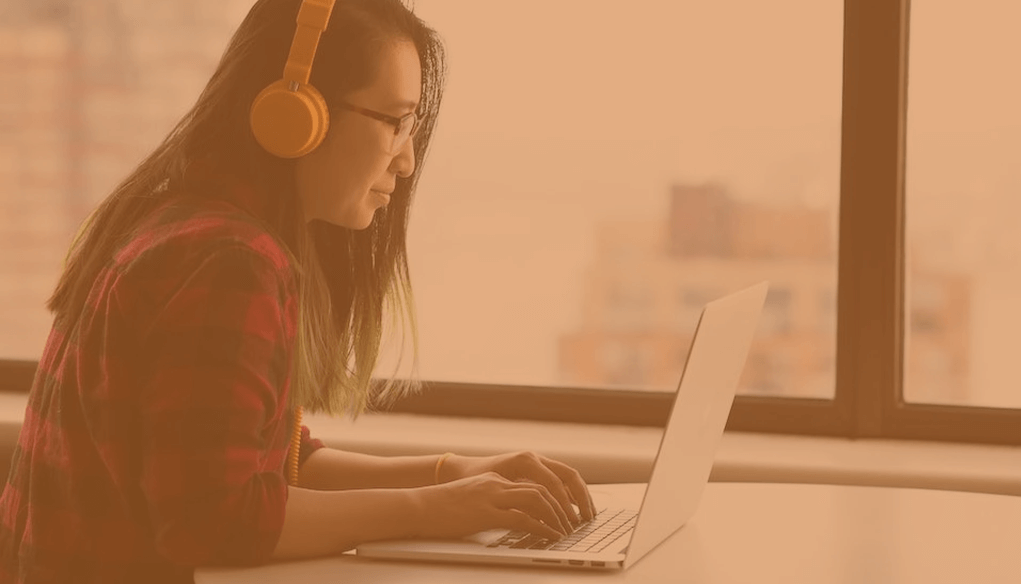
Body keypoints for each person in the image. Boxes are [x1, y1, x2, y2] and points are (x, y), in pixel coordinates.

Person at [0, 0, 595, 581]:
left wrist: (451, 474)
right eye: (394, 122)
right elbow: (213, 520)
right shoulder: (229, 261)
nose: (407, 161)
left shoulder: (180, 221)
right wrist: (436, 510)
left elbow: (278, 460)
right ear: (296, 114)